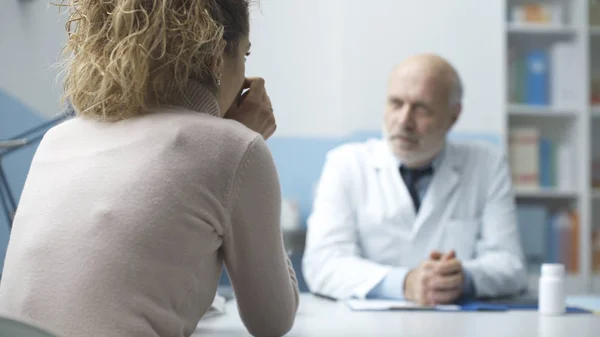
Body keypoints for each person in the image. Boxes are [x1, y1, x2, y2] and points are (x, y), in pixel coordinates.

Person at [0, 1, 298, 337]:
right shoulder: (235, 148)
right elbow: (272, 321)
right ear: (217, 56)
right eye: (243, 56)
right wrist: (247, 140)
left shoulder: (58, 138)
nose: (245, 75)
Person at [302, 54, 527, 305]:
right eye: (396, 103)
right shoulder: (345, 165)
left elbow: (510, 264)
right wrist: (405, 282)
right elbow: (322, 264)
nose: (404, 121)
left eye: (422, 109)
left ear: (453, 116)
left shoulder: (486, 164)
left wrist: (463, 278)